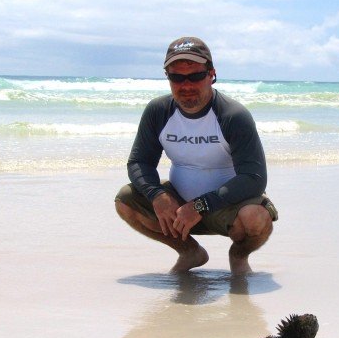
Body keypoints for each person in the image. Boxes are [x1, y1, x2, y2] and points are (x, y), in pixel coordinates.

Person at [115, 36, 277, 274]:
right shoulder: (158, 112)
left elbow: (254, 177)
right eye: (176, 77)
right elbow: (139, 162)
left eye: (195, 76)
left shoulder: (233, 115)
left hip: (228, 208)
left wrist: (201, 205)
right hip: (179, 207)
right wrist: (157, 195)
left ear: (211, 74)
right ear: (167, 77)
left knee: (256, 217)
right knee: (126, 200)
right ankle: (190, 252)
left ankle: (238, 256)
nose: (186, 85)